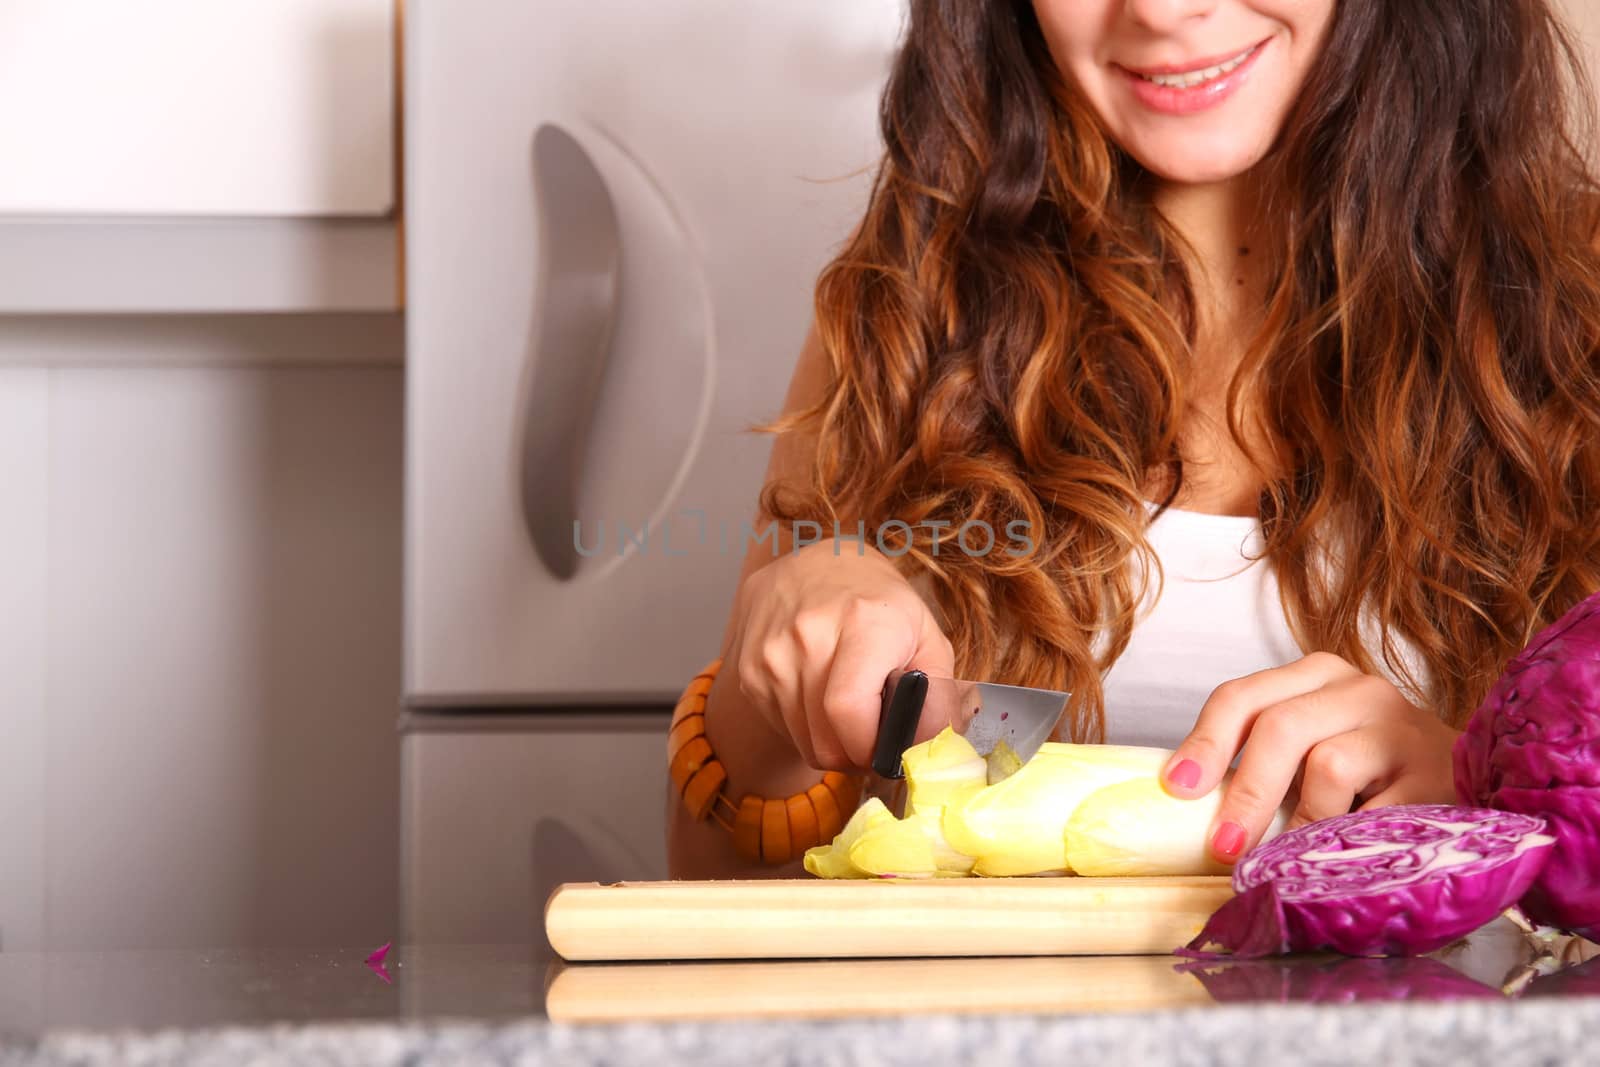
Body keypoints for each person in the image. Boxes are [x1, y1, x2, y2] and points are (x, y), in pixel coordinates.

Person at [667, 0, 1600, 879]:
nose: (1157, 10)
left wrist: (1484, 795)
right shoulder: (911, 309)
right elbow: (706, 895)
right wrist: (766, 691)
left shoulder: (1576, 306)